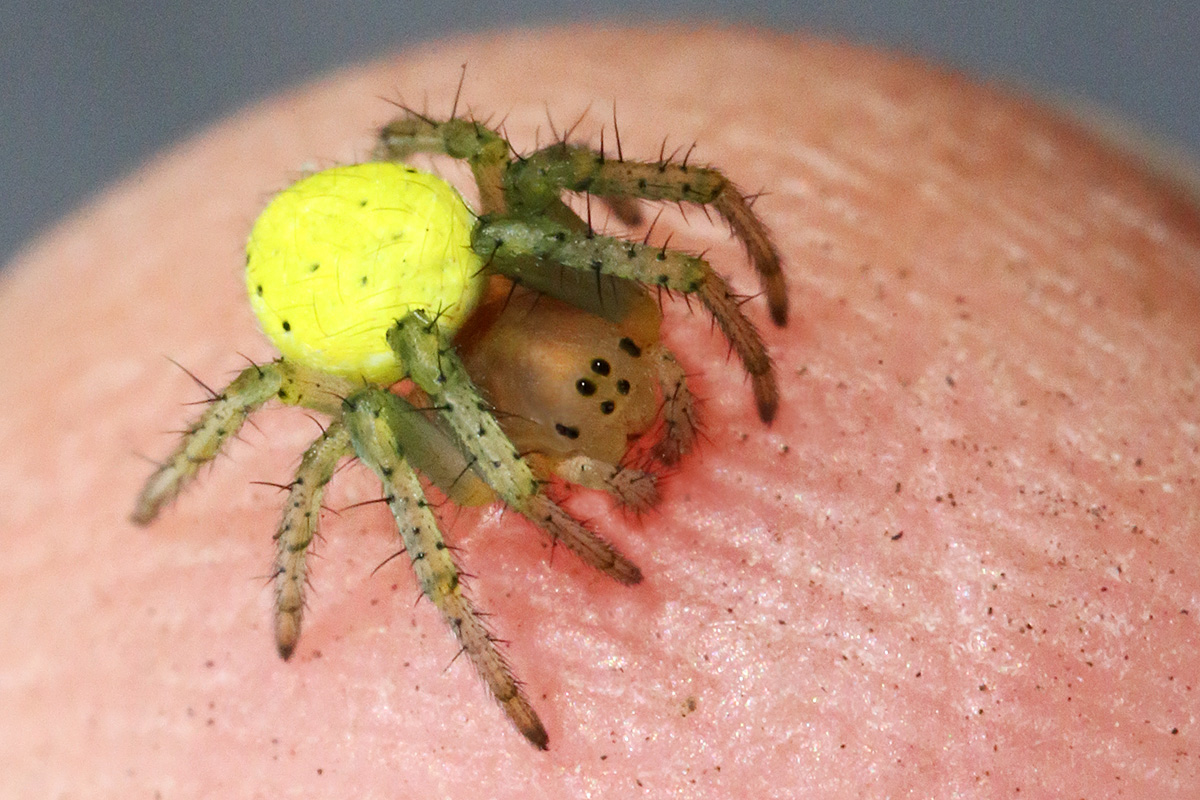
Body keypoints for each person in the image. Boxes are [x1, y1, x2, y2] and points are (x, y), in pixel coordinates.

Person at [2, 27, 1196, 797]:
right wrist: (521, 519)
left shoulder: (600, 290)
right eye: (614, 443)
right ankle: (470, 635)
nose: (645, 441)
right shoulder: (444, 429)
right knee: (363, 421)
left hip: (443, 267)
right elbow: (408, 450)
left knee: (517, 192)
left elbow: (673, 231)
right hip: (390, 304)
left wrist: (727, 304)